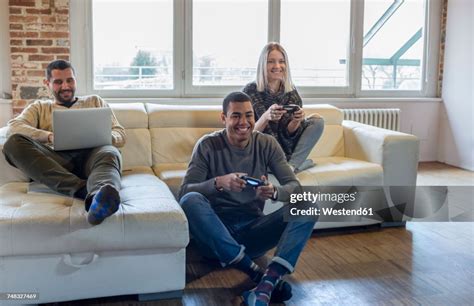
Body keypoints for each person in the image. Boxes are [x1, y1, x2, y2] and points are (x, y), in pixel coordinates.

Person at [179, 92, 316, 306]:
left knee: (308, 205)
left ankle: (266, 281)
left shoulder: (267, 144)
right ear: (223, 118)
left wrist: (274, 192)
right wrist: (219, 183)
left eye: (249, 115)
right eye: (235, 116)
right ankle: (258, 276)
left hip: (253, 232)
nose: (243, 122)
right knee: (190, 199)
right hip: (215, 240)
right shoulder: (207, 145)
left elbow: (294, 188)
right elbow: (185, 192)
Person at [2, 60, 126, 226]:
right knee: (13, 143)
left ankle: (99, 195)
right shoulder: (39, 107)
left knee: (109, 151)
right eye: (58, 82)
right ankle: (90, 194)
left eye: (70, 80)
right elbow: (14, 127)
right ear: (48, 83)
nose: (66, 86)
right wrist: (49, 136)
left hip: (92, 157)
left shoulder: (94, 101)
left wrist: (102, 136)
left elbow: (120, 134)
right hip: (56, 162)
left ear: (75, 80)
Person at [243, 42, 324, 172]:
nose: (277, 66)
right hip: (261, 150)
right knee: (265, 145)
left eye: (281, 61)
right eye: (271, 61)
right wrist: (265, 117)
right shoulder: (250, 91)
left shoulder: (291, 91)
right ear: (263, 64)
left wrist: (296, 121)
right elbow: (245, 135)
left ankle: (290, 167)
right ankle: (295, 166)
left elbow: (289, 134)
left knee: (317, 121)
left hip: (287, 150)